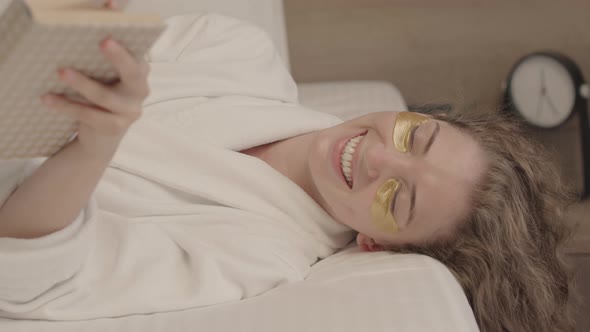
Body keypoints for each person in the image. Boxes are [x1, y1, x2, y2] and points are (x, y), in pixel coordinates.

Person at [0, 4, 575, 332]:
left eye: (397, 200)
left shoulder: (256, 259)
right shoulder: (239, 53)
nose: (377, 156)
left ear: (378, 245)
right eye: (412, 135)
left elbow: (33, 277)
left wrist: (95, 146)